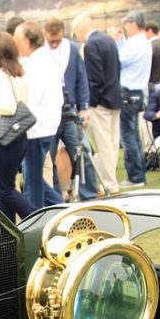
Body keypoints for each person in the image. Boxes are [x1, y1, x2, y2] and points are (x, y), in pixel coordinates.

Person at [0, 32, 35, 223]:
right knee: (5, 189)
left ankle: (36, 217)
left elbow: (9, 107)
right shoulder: (19, 73)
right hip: (20, 136)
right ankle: (8, 229)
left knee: (5, 189)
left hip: (6, 137)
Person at [44, 18, 96, 200]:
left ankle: (89, 194)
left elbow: (82, 79)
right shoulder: (40, 52)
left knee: (83, 152)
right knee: (49, 159)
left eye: (57, 40)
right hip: (48, 114)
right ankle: (56, 197)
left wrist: (84, 108)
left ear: (63, 33)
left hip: (70, 111)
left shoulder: (72, 49)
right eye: (51, 41)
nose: (54, 44)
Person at [14, 21, 63, 209]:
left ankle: (36, 218)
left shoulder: (36, 64)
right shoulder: (45, 60)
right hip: (44, 126)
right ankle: (62, 210)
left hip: (36, 129)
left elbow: (30, 99)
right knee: (34, 179)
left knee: (33, 185)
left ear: (27, 41)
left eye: (18, 40)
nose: (16, 44)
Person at [74, 16, 122, 196]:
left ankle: (109, 184)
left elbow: (94, 78)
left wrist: (89, 104)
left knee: (104, 145)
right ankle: (109, 181)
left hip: (100, 101)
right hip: (114, 96)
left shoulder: (90, 45)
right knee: (112, 143)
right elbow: (117, 68)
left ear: (80, 30)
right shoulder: (109, 40)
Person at [117, 11, 153, 188]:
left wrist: (118, 43)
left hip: (128, 92)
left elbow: (118, 60)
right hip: (138, 91)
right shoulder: (144, 43)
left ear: (133, 24)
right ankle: (140, 173)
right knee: (134, 135)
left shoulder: (134, 45)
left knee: (128, 137)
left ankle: (135, 176)